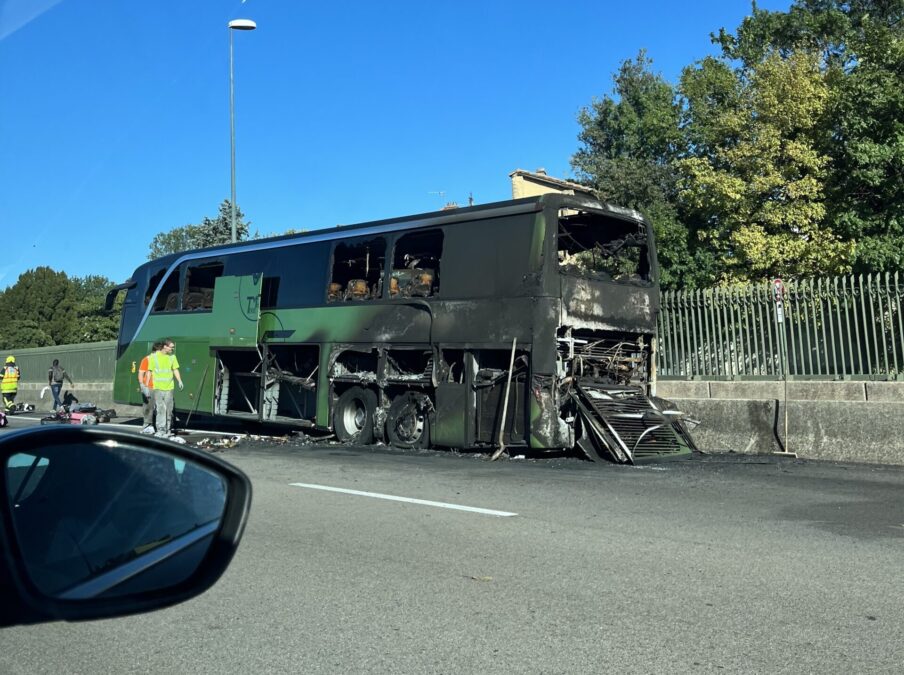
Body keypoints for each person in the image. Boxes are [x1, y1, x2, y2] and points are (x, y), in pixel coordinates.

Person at [147, 338, 184, 443]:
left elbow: (175, 370)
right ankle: (161, 430)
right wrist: (147, 385)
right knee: (160, 409)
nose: (173, 349)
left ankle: (167, 430)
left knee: (169, 410)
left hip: (169, 388)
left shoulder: (172, 358)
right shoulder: (153, 357)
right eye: (171, 347)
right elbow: (149, 372)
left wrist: (180, 381)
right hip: (158, 388)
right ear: (165, 347)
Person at [137, 342, 162, 434]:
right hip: (149, 387)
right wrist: (142, 386)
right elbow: (141, 373)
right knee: (148, 407)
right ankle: (147, 425)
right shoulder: (147, 359)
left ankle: (161, 427)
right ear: (157, 350)